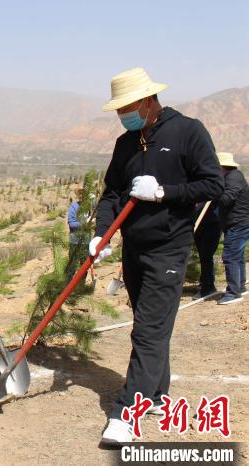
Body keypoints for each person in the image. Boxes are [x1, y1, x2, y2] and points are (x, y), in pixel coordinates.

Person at [91, 68, 223, 445]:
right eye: (119, 110)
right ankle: (156, 394)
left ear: (148, 101)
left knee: (148, 329)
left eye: (128, 108)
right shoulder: (126, 143)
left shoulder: (188, 132)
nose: (123, 116)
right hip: (134, 249)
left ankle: (125, 415)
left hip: (169, 246)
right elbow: (112, 193)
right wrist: (101, 234)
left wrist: (164, 192)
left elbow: (213, 183)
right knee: (150, 324)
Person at [216, 152, 249, 305]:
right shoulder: (229, 177)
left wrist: (214, 192)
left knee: (230, 256)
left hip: (239, 223)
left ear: (221, 166)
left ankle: (233, 293)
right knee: (237, 255)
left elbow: (227, 198)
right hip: (236, 223)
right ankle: (240, 286)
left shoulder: (233, 177)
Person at [193, 202, 221, 299]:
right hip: (197, 224)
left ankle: (207, 287)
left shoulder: (211, 191)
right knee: (203, 256)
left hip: (212, 224)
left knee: (206, 255)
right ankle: (206, 283)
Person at [66, 188, 93, 280]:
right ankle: (68, 284)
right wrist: (85, 223)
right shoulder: (74, 207)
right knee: (72, 265)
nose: (82, 197)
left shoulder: (90, 208)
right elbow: (71, 223)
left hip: (86, 240)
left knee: (84, 265)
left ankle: (81, 285)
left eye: (84, 195)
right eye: (81, 195)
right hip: (75, 240)